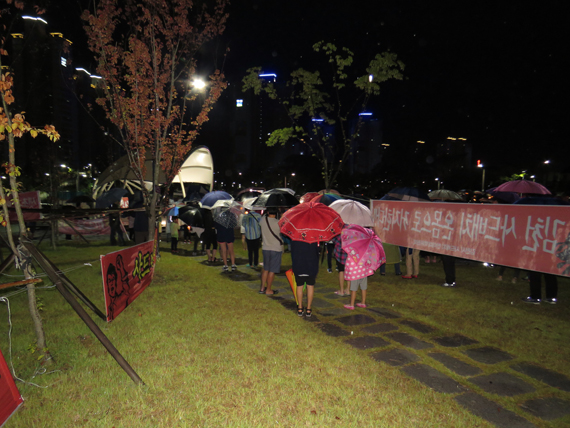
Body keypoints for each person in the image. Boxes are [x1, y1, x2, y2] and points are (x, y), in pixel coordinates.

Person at [291, 240, 320, 316]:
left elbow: (293, 251)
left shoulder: (295, 238)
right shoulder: (314, 237)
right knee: (310, 286)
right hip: (311, 265)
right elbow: (317, 252)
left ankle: (300, 308)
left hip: (298, 264)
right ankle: (308, 309)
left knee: (299, 286)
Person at [259, 209, 283, 296]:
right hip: (276, 248)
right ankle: (268, 289)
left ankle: (262, 288)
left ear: (268, 212)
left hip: (266, 247)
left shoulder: (262, 220)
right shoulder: (279, 223)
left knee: (266, 268)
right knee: (272, 270)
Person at [332, 231, 350, 296]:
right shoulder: (351, 231)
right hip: (348, 255)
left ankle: (341, 290)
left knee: (341, 271)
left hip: (340, 255)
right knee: (348, 271)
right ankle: (348, 289)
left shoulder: (339, 231)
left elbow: (334, 240)